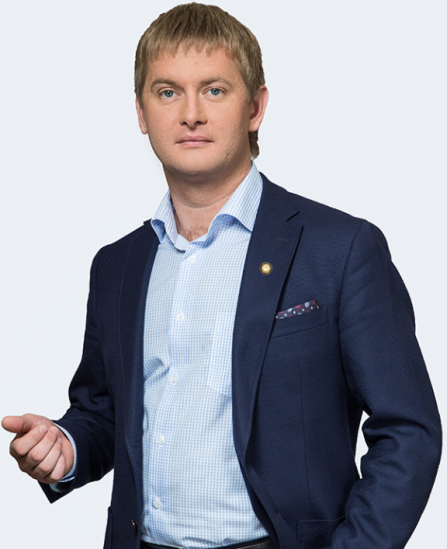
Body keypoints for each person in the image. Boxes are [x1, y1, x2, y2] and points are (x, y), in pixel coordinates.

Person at [2, 4, 442, 549]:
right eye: (168, 92)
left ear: (255, 107)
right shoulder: (117, 265)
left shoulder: (341, 250)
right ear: (141, 113)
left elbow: (408, 431)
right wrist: (65, 448)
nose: (191, 114)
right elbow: (107, 414)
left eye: (214, 90)